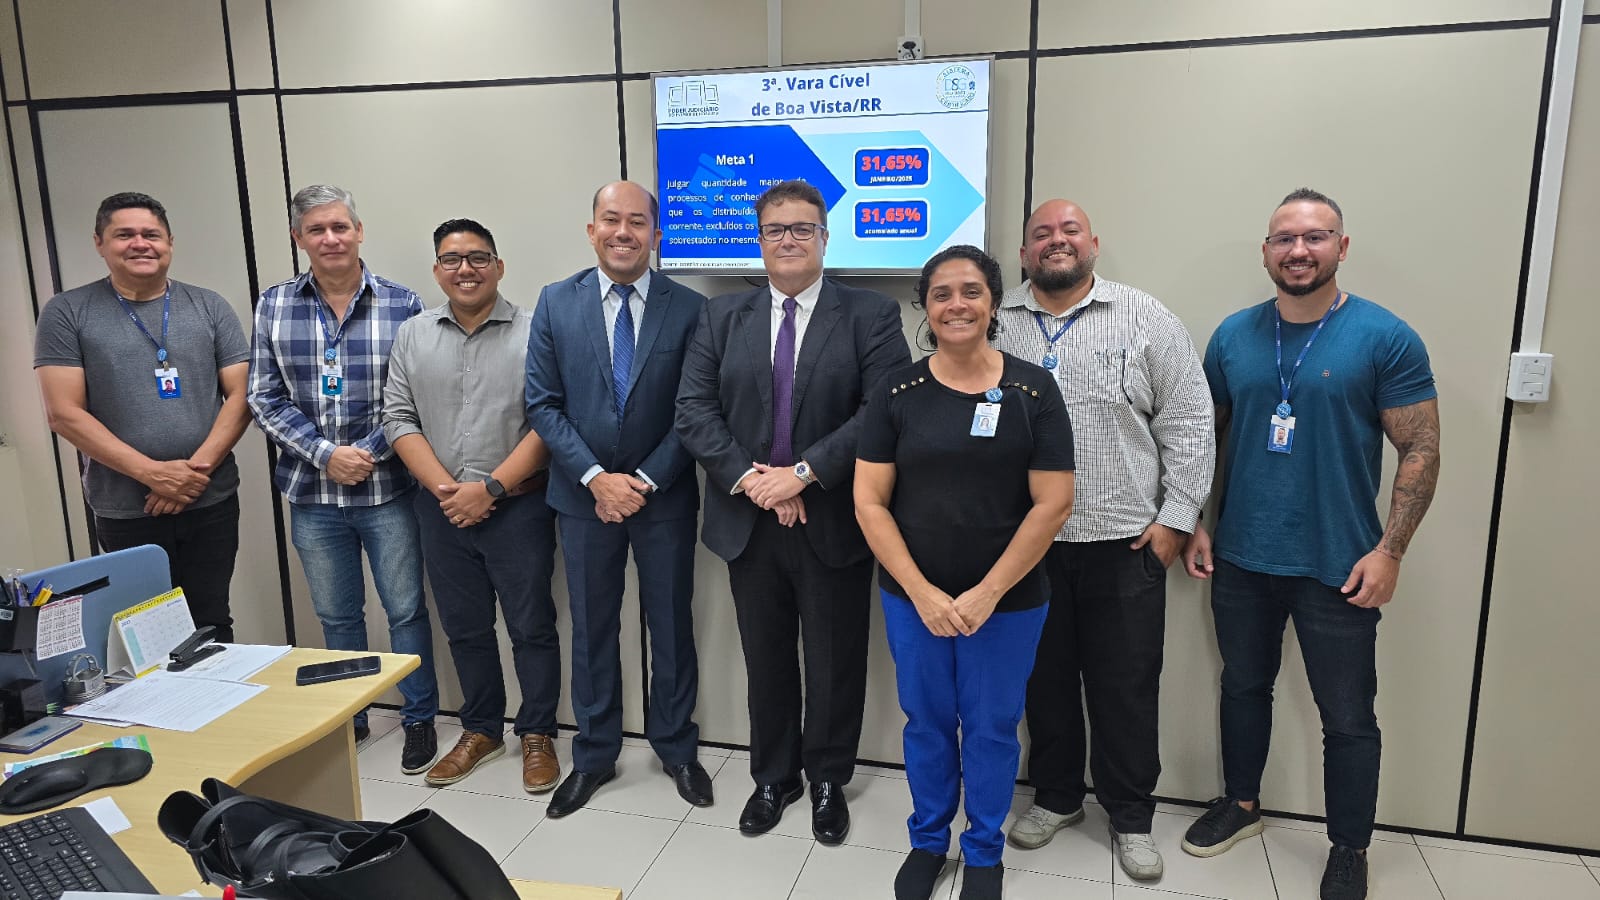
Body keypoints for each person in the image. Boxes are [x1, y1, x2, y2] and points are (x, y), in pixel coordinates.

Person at [1180, 188, 1441, 900]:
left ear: (1341, 247)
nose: (1299, 250)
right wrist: (1198, 520)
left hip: (1340, 564)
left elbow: (1421, 448)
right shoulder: (1234, 335)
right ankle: (1240, 804)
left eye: (1316, 237)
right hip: (1240, 554)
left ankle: (1349, 846)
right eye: (1284, 239)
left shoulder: (1385, 336)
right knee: (1242, 685)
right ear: (1265, 252)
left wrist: (1391, 551)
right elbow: (1210, 437)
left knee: (1348, 717)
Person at [676, 179, 911, 844]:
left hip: (832, 517)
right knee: (766, 657)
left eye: (803, 228)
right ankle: (773, 777)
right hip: (749, 520)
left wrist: (802, 475)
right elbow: (694, 411)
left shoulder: (869, 315)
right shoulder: (722, 316)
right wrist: (756, 481)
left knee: (836, 661)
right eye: (777, 228)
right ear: (759, 239)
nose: (789, 239)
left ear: (825, 238)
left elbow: (882, 410)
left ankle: (828, 777)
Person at [996, 199, 1214, 879]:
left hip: (1126, 544)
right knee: (1044, 683)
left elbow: (1189, 418)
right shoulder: (995, 319)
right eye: (1041, 235)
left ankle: (1129, 815)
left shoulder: (1145, 317)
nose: (1055, 242)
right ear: (1026, 251)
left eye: (1069, 231)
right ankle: (1057, 797)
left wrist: (1176, 518)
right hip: (1028, 545)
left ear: (1094, 243)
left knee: (1125, 687)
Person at [856, 245, 1074, 900]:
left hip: (1007, 604)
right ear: (925, 305)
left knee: (990, 725)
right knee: (925, 721)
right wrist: (922, 593)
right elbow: (869, 500)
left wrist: (986, 593)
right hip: (912, 598)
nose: (957, 304)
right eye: (943, 293)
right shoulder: (897, 392)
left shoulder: (1034, 388)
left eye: (971, 291)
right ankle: (928, 839)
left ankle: (982, 849)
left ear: (993, 302)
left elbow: (1054, 502)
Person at [526, 182, 713, 817]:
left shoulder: (690, 309)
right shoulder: (555, 302)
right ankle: (596, 754)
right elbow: (542, 405)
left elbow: (695, 410)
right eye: (611, 219)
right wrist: (596, 479)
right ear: (592, 229)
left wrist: (643, 482)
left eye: (638, 222)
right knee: (592, 628)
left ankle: (677, 748)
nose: (623, 232)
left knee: (671, 624)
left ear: (656, 234)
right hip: (583, 502)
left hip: (663, 499)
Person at [247, 184, 440, 774]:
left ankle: (419, 717)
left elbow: (413, 395)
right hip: (312, 495)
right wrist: (326, 454)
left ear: (359, 231)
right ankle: (349, 715)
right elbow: (263, 396)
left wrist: (370, 452)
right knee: (337, 615)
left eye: (339, 227)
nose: (329, 238)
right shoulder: (274, 305)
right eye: (316, 229)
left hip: (388, 491)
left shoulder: (403, 304)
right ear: (298, 238)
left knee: (405, 610)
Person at [383, 218, 561, 792]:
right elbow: (398, 417)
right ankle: (481, 729)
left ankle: (537, 732)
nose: (466, 269)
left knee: (531, 626)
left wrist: (490, 490)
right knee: (464, 628)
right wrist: (449, 493)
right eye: (453, 260)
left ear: (499, 266)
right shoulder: (412, 334)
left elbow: (550, 418)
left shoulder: (538, 330)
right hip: (440, 511)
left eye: (479, 258)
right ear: (437, 270)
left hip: (519, 507)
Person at [34, 192, 250, 640]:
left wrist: (194, 473)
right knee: (145, 631)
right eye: (124, 235)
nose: (140, 244)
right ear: (99, 243)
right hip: (126, 508)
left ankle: (218, 709)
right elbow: (64, 413)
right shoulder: (68, 312)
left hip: (210, 499)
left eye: (151, 234)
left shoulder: (209, 306)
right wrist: (154, 474)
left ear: (169, 241)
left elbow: (243, 395)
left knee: (212, 620)